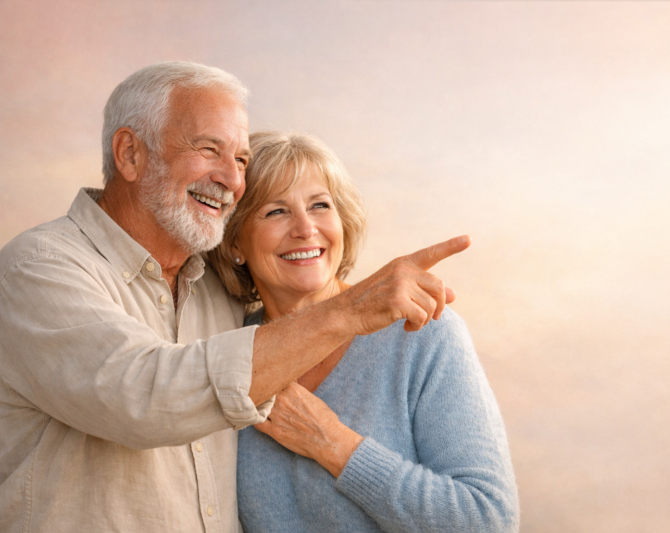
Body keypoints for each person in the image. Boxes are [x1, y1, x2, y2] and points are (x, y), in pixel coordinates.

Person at [0, 62, 469, 532]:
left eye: (241, 160)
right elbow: (144, 395)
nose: (231, 179)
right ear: (130, 154)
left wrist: (335, 441)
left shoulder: (216, 294)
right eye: (208, 149)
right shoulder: (38, 269)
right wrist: (350, 310)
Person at [207, 131, 519, 533]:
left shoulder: (421, 334)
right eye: (275, 211)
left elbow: (488, 519)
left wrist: (333, 444)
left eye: (320, 205)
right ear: (235, 243)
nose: (305, 228)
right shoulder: (228, 358)